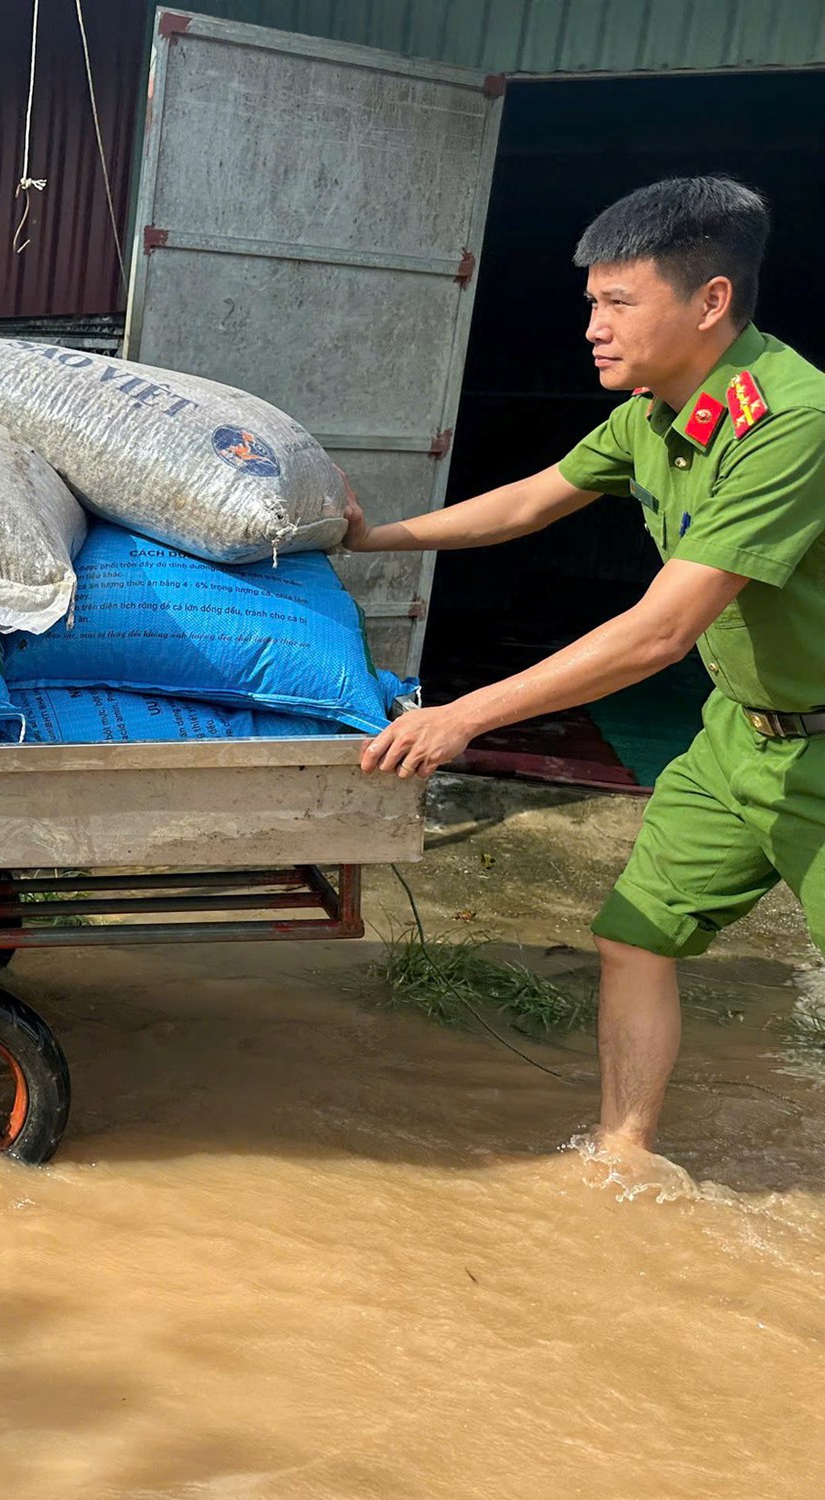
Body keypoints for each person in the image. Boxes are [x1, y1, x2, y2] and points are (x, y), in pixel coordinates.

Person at [349, 176, 825, 1158]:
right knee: (634, 934)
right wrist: (369, 537)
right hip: (739, 737)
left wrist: (464, 713)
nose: (591, 329)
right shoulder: (654, 410)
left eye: (617, 303)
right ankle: (618, 1158)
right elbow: (527, 503)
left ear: (707, 302)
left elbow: (660, 632)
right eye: (589, 305)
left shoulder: (788, 423)